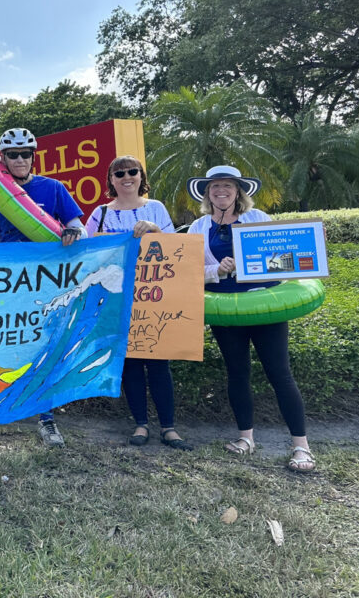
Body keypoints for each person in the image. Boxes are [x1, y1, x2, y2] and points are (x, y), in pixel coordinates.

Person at [0, 128, 86, 447]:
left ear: (33, 156)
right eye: (12, 155)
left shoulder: (53, 188)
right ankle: (2, 409)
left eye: (25, 153)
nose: (19, 159)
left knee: (46, 347)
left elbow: (77, 227)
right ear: (3, 160)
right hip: (12, 285)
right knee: (9, 345)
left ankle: (47, 420)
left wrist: (73, 235)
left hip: (50, 281)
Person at [187, 165, 315, 472]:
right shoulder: (198, 226)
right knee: (237, 373)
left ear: (238, 191)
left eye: (228, 186)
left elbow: (283, 258)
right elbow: (188, 270)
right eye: (215, 186)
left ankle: (301, 446)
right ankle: (246, 438)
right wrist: (215, 271)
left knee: (280, 374)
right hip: (225, 308)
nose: (221, 191)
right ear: (207, 192)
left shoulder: (259, 220)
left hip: (265, 306)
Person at [86, 156, 191, 451]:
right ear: (111, 180)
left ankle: (169, 427)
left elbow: (174, 248)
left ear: (141, 176)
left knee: (159, 364)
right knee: (129, 364)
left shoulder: (155, 208)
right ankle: (140, 424)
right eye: (119, 173)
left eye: (133, 171)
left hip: (154, 299)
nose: (126, 177)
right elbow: (89, 252)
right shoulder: (100, 214)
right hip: (117, 300)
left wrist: (155, 231)